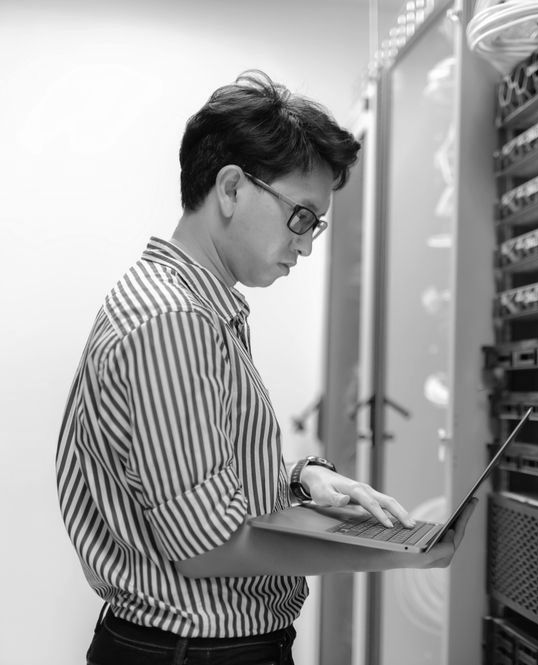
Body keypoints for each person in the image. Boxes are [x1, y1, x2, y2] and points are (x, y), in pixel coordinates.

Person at [55, 70, 475, 665]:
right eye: (301, 216)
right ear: (231, 188)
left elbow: (194, 478)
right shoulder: (173, 320)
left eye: (317, 224)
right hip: (192, 652)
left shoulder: (195, 306)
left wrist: (300, 481)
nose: (306, 244)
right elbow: (210, 547)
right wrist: (396, 551)